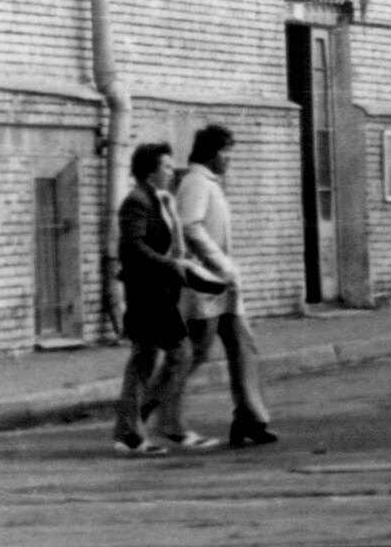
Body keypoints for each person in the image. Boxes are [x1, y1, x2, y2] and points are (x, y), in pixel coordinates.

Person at [170, 124, 279, 448]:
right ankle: (150, 407)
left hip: (221, 283)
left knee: (244, 345)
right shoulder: (195, 182)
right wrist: (222, 264)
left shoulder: (210, 183)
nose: (229, 157)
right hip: (205, 283)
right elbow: (190, 228)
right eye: (225, 150)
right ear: (209, 152)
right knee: (196, 351)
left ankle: (251, 419)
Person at [112, 142, 195, 454]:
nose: (172, 172)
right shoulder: (136, 201)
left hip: (155, 289)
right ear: (150, 171)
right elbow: (132, 248)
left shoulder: (158, 199)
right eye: (167, 167)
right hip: (148, 292)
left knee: (144, 359)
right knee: (180, 352)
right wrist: (170, 265)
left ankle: (130, 429)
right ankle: (141, 416)